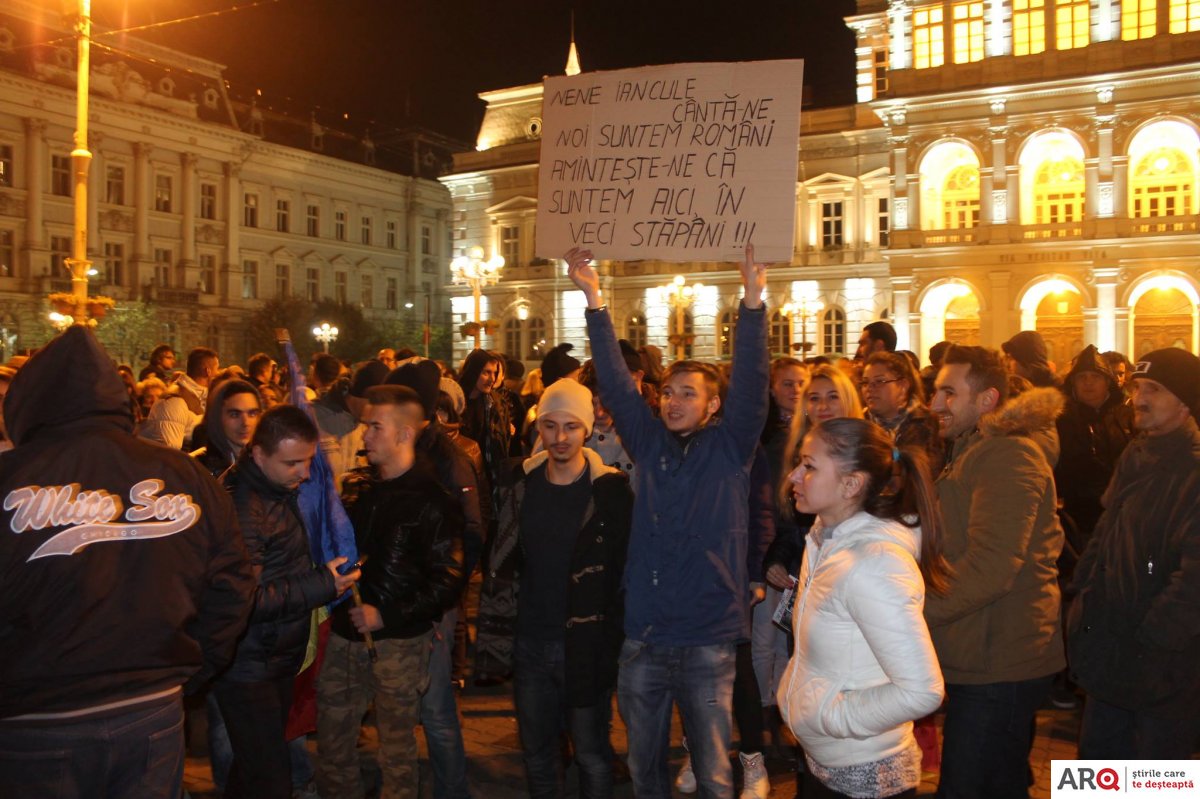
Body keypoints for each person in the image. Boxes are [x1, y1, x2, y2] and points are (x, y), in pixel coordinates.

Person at [0, 327, 255, 799]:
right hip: (141, 709)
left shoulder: (11, 479)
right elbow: (233, 588)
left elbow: (234, 584)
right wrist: (184, 670)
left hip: (42, 720)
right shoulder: (184, 474)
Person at [566, 243, 769, 799]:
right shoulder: (648, 441)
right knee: (645, 768)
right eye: (670, 392)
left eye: (689, 394)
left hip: (708, 637)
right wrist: (594, 299)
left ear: (713, 407)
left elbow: (752, 385)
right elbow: (612, 379)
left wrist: (752, 304)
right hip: (646, 635)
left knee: (713, 771)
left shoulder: (732, 448)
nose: (673, 402)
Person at [479, 377, 634, 799]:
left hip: (585, 644)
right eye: (550, 426)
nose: (560, 437)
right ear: (538, 429)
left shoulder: (610, 493)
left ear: (586, 429)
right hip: (531, 642)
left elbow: (623, 574)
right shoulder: (521, 487)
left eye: (570, 426)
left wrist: (614, 642)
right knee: (537, 753)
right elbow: (501, 562)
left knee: (591, 753)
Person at [778, 418, 947, 799]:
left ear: (851, 484)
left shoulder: (873, 563)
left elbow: (923, 690)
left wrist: (829, 716)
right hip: (825, 763)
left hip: (865, 776)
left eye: (809, 466)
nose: (793, 476)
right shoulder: (825, 537)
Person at [925, 345, 1065, 799]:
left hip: (1000, 659)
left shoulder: (1008, 456)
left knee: (970, 785)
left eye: (948, 392)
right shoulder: (972, 449)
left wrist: (916, 613)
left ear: (987, 399)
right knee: (999, 781)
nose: (934, 404)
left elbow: (992, 567)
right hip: (981, 650)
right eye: (934, 391)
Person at [317, 385, 465, 799]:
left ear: (404, 434)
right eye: (366, 426)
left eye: (374, 427)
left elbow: (448, 578)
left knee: (396, 753)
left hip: (398, 645)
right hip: (346, 637)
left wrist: (389, 615)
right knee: (333, 743)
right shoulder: (362, 491)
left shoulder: (433, 500)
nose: (364, 435)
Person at [216, 405, 360, 799]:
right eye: (293, 463)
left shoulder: (273, 488)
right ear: (259, 454)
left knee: (254, 771)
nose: (305, 473)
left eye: (309, 460)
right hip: (248, 666)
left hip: (271, 656)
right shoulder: (245, 506)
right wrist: (322, 585)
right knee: (270, 779)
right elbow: (247, 599)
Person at [1067, 348, 1200, 758]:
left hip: (1162, 665)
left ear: (1186, 403)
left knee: (1158, 776)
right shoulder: (1136, 454)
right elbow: (1105, 534)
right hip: (1111, 648)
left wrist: (1156, 636)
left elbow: (1194, 578)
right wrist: (1083, 597)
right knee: (1097, 770)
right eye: (1138, 387)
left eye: (1154, 390)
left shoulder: (1192, 470)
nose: (1139, 398)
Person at [861, 351, 944, 474]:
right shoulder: (860, 423)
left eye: (879, 381)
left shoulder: (928, 423)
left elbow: (929, 472)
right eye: (865, 382)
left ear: (903, 386)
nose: (870, 388)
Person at [140, 346, 219, 450]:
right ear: (207, 371)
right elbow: (169, 452)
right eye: (217, 369)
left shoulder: (202, 396)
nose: (218, 374)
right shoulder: (173, 401)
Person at [192, 378, 263, 478]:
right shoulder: (196, 469)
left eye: (252, 414)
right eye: (235, 415)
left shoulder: (271, 465)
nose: (245, 423)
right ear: (216, 417)